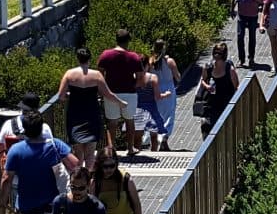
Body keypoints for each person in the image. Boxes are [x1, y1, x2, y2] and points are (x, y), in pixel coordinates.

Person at [3, 123, 75, 214]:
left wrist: (2, 204)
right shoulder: (55, 145)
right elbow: (74, 164)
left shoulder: (16, 150)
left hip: (27, 207)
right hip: (51, 206)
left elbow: (6, 179)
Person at [55, 48, 112, 169]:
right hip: (92, 114)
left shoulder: (69, 74)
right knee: (90, 154)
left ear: (77, 58)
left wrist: (69, 96)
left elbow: (60, 96)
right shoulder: (96, 75)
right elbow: (107, 94)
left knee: (78, 154)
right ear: (90, 59)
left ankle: (79, 180)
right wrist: (121, 102)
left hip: (75, 114)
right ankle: (90, 181)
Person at [97, 27, 148, 156]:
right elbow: (141, 77)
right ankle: (130, 148)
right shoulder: (133, 57)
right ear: (128, 41)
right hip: (129, 93)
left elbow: (100, 75)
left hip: (111, 93)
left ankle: (111, 150)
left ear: (116, 39)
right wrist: (134, 85)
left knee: (112, 122)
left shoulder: (106, 55)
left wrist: (103, 90)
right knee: (129, 120)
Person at [144, 39, 182, 151]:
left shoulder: (150, 61)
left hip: (155, 88)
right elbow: (178, 77)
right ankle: (164, 139)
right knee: (169, 115)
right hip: (168, 88)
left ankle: (154, 140)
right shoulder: (169, 61)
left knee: (156, 115)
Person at [195, 40, 241, 123]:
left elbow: (236, 86)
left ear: (224, 55)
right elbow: (203, 80)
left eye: (219, 53)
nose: (216, 55)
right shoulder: (208, 67)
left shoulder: (229, 69)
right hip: (211, 102)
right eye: (215, 52)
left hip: (226, 101)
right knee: (209, 124)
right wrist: (207, 86)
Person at [233, 0, 264, 67]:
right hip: (241, 14)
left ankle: (251, 58)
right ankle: (241, 59)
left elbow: (261, 0)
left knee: (252, 37)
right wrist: (232, 9)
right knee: (240, 36)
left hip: (253, 14)